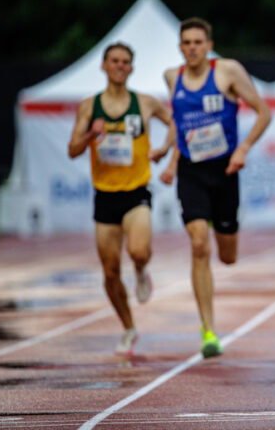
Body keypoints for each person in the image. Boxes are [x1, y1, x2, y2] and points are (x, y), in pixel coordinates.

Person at [160, 18, 271, 358]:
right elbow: (179, 123)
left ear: (209, 45)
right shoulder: (172, 77)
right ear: (180, 47)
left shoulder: (227, 72)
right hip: (191, 173)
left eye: (197, 42)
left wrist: (243, 149)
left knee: (228, 256)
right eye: (186, 42)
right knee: (198, 246)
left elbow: (263, 113)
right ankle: (208, 329)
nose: (191, 48)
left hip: (224, 172)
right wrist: (171, 160)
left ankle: (214, 223)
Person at [68, 42, 172, 355]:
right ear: (103, 65)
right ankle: (128, 327)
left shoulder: (145, 103)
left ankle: (141, 269)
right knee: (110, 272)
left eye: (126, 61)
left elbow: (175, 124)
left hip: (136, 191)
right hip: (105, 196)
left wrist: (165, 150)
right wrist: (90, 135)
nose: (120, 66)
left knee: (138, 251)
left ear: (131, 68)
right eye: (114, 60)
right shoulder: (89, 107)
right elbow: (72, 150)